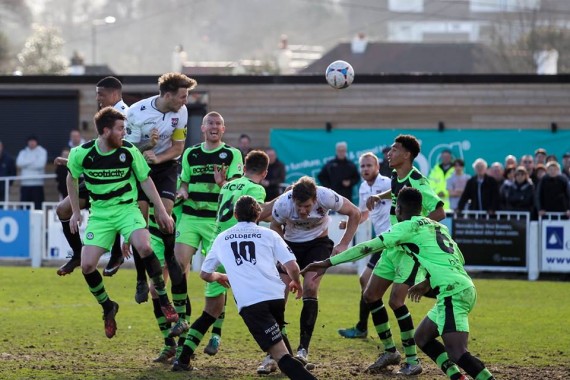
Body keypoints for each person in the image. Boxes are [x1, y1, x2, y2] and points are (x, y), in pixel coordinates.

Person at [302, 187, 496, 380]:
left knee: (457, 352)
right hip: (462, 286)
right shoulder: (438, 227)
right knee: (422, 337)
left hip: (452, 292)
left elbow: (367, 247)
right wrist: (427, 282)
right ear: (421, 208)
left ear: (398, 210)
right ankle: (457, 377)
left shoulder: (405, 227)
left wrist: (327, 262)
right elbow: (458, 259)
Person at [174, 195, 316, 380]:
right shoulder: (270, 234)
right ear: (258, 215)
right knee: (279, 338)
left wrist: (221, 276)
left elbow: (205, 273)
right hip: (276, 297)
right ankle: (299, 366)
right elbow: (292, 266)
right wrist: (296, 282)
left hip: (252, 303)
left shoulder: (222, 237)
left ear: (235, 214)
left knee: (280, 356)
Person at [66, 106, 177, 339]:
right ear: (105, 131)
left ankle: (164, 299)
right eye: (120, 129)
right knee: (87, 266)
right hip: (100, 214)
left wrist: (160, 209)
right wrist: (76, 211)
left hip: (127, 209)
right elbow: (71, 178)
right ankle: (108, 306)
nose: (124, 134)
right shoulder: (81, 153)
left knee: (145, 246)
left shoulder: (129, 151)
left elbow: (145, 180)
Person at [173, 151, 271, 371]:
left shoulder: (228, 186)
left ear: (244, 168)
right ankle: (279, 355)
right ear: (265, 173)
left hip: (217, 250)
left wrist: (222, 182)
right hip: (236, 253)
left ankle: (183, 358)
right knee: (264, 305)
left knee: (212, 310)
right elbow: (259, 214)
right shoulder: (256, 189)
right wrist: (284, 203)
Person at [362, 134, 445, 376]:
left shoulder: (418, 180)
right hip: (392, 248)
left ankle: (412, 360)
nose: (389, 153)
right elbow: (398, 191)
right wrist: (380, 196)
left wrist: (415, 229)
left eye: (395, 150)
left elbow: (439, 212)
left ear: (407, 154)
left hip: (408, 251)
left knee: (396, 301)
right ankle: (390, 351)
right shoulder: (399, 178)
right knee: (370, 295)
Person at [173, 111, 243, 357]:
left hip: (216, 222)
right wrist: (182, 192)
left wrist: (222, 183)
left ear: (223, 129)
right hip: (191, 217)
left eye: (218, 124)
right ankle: (182, 319)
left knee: (217, 278)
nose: (214, 127)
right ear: (202, 128)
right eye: (210, 123)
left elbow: (235, 190)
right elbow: (183, 182)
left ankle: (215, 334)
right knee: (178, 264)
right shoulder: (191, 154)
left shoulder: (232, 155)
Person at [270, 175, 360, 365]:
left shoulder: (326, 196)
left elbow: (355, 212)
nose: (303, 211)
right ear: (292, 199)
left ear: (315, 199)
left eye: (307, 207)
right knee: (280, 294)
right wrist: (281, 254)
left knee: (310, 287)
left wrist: (344, 243)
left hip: (318, 244)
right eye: (299, 206)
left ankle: (303, 349)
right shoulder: (283, 204)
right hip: (290, 245)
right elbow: (275, 226)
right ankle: (275, 351)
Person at [125, 72, 197, 304]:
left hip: (165, 166)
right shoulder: (136, 112)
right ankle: (139, 278)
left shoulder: (181, 112)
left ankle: (169, 259)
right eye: (182, 97)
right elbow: (127, 149)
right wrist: (148, 146)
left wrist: (158, 156)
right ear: (167, 95)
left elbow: (178, 147)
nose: (185, 101)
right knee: (141, 223)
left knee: (165, 215)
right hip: (139, 168)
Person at [55, 76, 129, 276]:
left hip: (115, 178)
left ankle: (116, 254)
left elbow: (129, 150)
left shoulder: (126, 116)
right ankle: (78, 254)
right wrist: (71, 161)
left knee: (107, 208)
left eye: (101, 95)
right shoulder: (106, 115)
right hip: (95, 175)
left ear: (114, 94)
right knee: (63, 210)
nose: (98, 99)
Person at [337, 152, 391, 339]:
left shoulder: (385, 182)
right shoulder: (362, 187)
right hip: (382, 241)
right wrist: (348, 222)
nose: (366, 169)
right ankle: (362, 326)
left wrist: (379, 196)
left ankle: (363, 326)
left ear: (377, 167)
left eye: (369, 165)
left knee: (373, 284)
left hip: (393, 239)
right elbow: (364, 213)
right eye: (363, 166)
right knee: (365, 281)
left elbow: (399, 191)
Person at [16, 135, 47, 210]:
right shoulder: (23, 152)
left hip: (37, 184)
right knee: (24, 207)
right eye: (30, 141)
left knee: (38, 206)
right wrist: (33, 161)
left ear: (36, 142)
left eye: (33, 141)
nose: (32, 143)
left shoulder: (42, 151)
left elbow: (40, 164)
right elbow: (19, 163)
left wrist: (26, 164)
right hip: (25, 184)